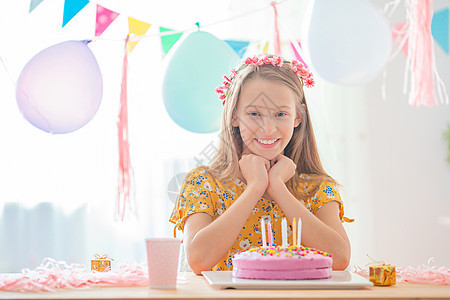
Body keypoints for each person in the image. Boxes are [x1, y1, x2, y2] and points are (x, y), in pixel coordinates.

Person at [169, 54, 353, 275]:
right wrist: (255, 187)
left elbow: (340, 258)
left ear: (298, 117)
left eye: (281, 114)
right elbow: (198, 261)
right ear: (234, 116)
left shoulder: (316, 187)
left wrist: (278, 188)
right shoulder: (204, 182)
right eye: (254, 114)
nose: (267, 128)